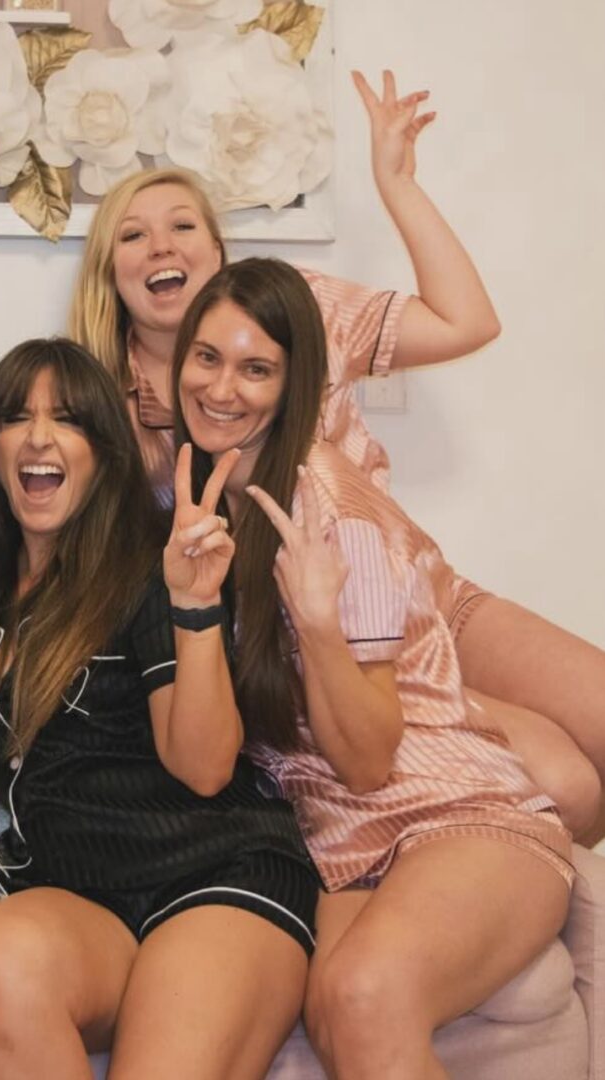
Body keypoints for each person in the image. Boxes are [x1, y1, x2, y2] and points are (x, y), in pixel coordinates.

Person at [69, 71, 603, 841]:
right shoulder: (104, 411)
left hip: (423, 599)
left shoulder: (299, 311)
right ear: (109, 271)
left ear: (216, 251)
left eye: (182, 225)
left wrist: (396, 185)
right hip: (307, 653)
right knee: (565, 783)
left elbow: (465, 322)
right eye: (131, 234)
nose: (160, 245)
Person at [172, 258, 573, 1078]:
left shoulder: (327, 503)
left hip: (452, 815)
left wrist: (319, 628)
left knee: (361, 995)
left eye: (255, 369)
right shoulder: (197, 498)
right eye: (206, 358)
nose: (221, 388)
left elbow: (365, 760)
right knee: (327, 1011)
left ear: (293, 385)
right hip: (337, 847)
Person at [0, 339, 319, 1080]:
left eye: (68, 420)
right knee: (1, 956)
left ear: (104, 454)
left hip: (215, 874)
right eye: (16, 417)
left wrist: (194, 604)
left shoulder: (148, 567)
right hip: (79, 896)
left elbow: (205, 768)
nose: (39, 437)